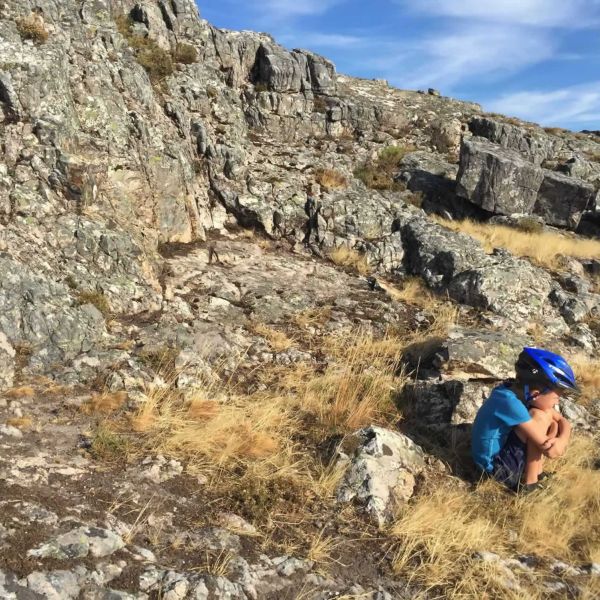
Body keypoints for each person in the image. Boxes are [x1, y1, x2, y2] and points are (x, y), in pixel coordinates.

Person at [471, 347, 577, 493]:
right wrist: (555, 442)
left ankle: (536, 474)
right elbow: (551, 451)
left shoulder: (514, 391)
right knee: (539, 416)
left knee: (546, 416)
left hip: (502, 457)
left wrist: (562, 438)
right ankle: (529, 484)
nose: (557, 402)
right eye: (556, 397)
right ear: (536, 393)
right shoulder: (510, 403)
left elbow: (562, 420)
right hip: (496, 470)